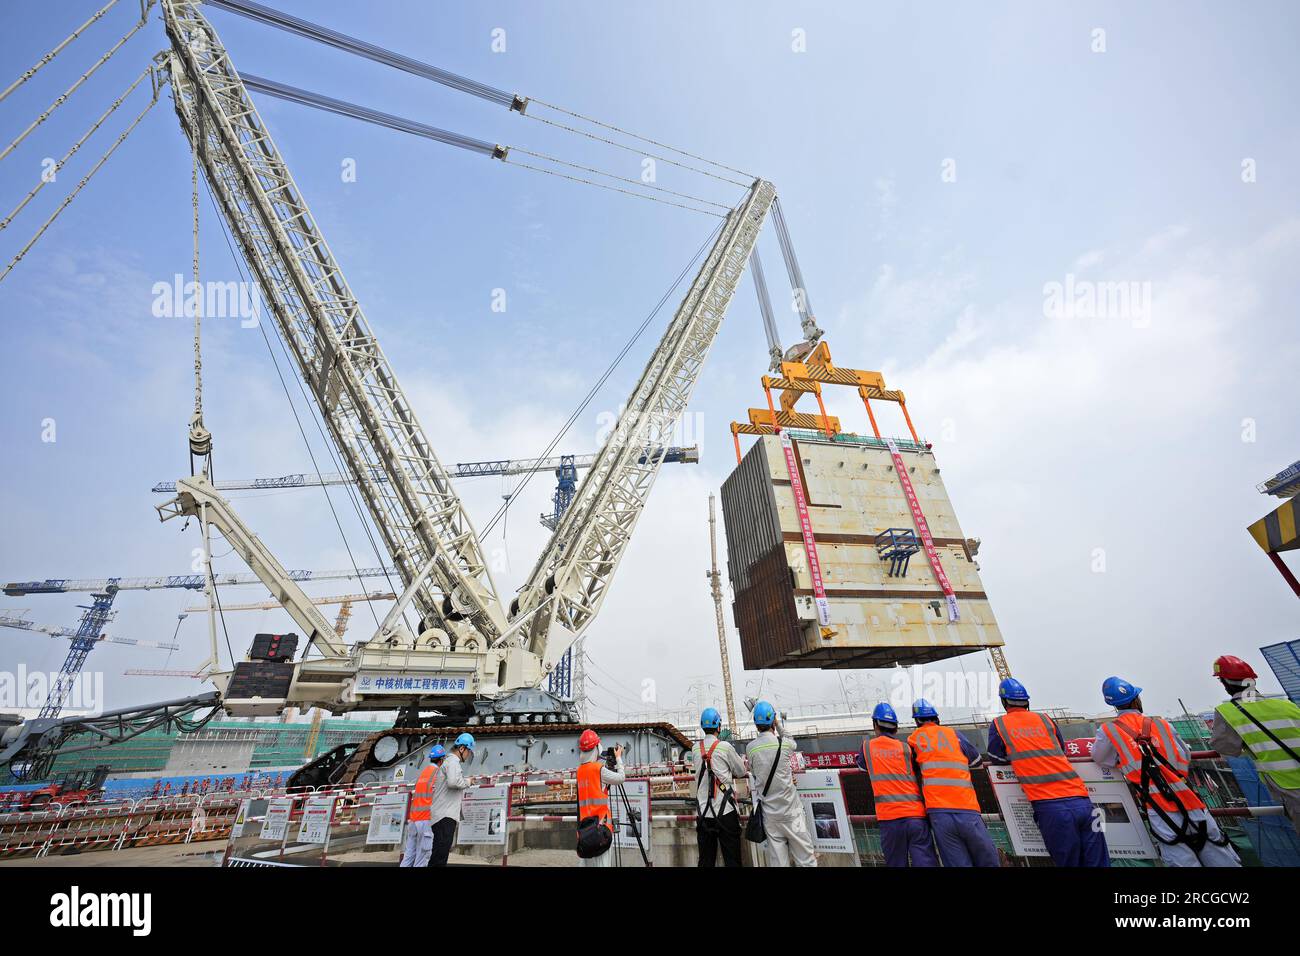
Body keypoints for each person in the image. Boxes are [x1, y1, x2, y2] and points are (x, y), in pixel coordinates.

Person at [1092, 677, 1239, 867]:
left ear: (1112, 704)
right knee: (1220, 856)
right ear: (1137, 699)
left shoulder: (1109, 730)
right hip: (1190, 801)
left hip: (1157, 807)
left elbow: (1101, 758)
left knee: (1181, 861)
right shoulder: (1162, 724)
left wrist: (1124, 759)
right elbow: (1184, 755)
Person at [986, 678, 1109, 867]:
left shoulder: (999, 724)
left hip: (1051, 807)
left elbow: (996, 757)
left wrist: (1016, 758)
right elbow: (1061, 748)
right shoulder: (1045, 719)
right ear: (1027, 701)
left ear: (1004, 702)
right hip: (1084, 803)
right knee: (1099, 862)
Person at [1207, 655, 1300, 836]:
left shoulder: (1229, 711)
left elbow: (1226, 748)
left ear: (1225, 683)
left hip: (1290, 784)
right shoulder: (1286, 705)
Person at [908, 698, 999, 867]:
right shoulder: (954, 735)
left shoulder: (913, 739)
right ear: (937, 718)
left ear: (916, 721)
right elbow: (977, 762)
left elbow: (912, 770)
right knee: (988, 859)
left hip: (938, 813)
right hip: (967, 808)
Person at [854, 701, 937, 867]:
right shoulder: (906, 748)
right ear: (896, 727)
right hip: (916, 817)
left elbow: (862, 765)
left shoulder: (867, 747)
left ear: (875, 725)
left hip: (889, 819)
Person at [746, 700, 817, 867]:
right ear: (773, 721)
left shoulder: (751, 748)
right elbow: (791, 740)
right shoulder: (783, 744)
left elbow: (755, 774)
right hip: (791, 812)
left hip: (770, 815)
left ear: (756, 724)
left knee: (778, 863)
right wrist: (778, 725)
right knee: (805, 860)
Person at [693, 707, 746, 867]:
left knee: (706, 861)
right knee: (732, 860)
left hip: (703, 814)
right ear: (718, 726)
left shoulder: (695, 748)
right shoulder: (725, 747)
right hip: (725, 813)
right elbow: (741, 771)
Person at [576, 728, 625, 868]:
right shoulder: (598, 769)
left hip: (585, 830)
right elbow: (621, 778)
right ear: (596, 748)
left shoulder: (580, 771)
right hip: (601, 828)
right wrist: (618, 758)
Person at [427, 733, 474, 867]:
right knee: (440, 856)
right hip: (445, 816)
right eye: (469, 750)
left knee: (438, 854)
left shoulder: (448, 761)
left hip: (442, 814)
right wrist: (468, 781)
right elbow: (453, 782)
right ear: (462, 749)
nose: (469, 754)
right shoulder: (453, 761)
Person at [400, 744, 445, 867]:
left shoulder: (424, 772)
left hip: (414, 820)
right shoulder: (437, 773)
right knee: (422, 858)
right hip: (425, 821)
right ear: (442, 760)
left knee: (409, 856)